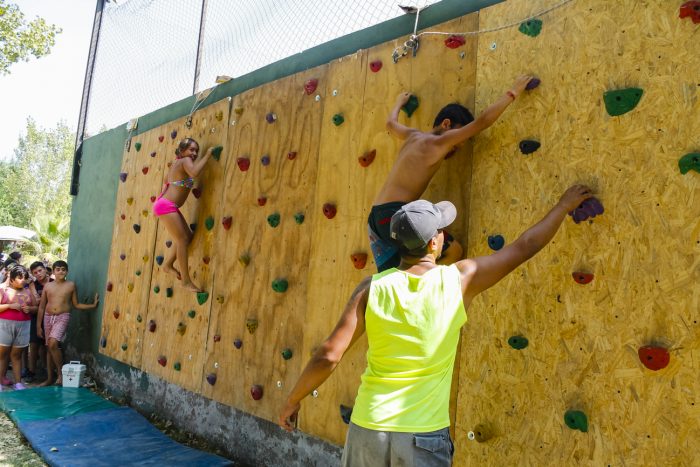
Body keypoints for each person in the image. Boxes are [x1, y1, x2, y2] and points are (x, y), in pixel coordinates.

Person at [279, 185, 592, 466]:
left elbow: (328, 356)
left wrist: (293, 399)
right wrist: (562, 206)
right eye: (441, 229)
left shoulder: (371, 288)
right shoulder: (459, 279)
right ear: (434, 242)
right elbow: (524, 247)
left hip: (368, 429)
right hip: (422, 435)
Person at [369, 75, 534, 272]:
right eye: (455, 144)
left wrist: (399, 102)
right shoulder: (437, 143)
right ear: (446, 124)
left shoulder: (413, 136)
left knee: (393, 274)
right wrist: (512, 92)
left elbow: (390, 123)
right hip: (395, 215)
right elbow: (482, 122)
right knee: (453, 251)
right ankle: (425, 291)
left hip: (377, 218)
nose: (453, 149)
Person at [152, 137, 214, 292]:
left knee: (187, 237)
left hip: (166, 205)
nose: (194, 153)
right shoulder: (185, 161)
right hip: (167, 206)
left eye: (197, 151)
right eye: (191, 149)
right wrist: (207, 155)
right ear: (182, 151)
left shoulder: (176, 164)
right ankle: (185, 281)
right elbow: (194, 172)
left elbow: (167, 181)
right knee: (182, 239)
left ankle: (167, 264)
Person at [37, 260, 98, 386]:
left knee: (53, 343)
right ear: (53, 271)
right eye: (58, 269)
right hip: (48, 317)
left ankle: (60, 373)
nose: (61, 271)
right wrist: (38, 325)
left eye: (63, 269)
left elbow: (76, 304)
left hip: (63, 316)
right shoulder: (48, 286)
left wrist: (92, 305)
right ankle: (49, 378)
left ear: (67, 272)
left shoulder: (70, 285)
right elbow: (42, 307)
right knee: (49, 347)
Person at [0, 264, 37, 390]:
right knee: (2, 355)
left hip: (23, 325)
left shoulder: (27, 291)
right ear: (12, 279)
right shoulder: (3, 289)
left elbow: (36, 307)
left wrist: (30, 308)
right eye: (20, 278)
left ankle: (18, 383)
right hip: (5, 324)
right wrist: (9, 306)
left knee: (16, 355)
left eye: (25, 278)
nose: (23, 280)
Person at [25, 261, 51, 381]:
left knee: (48, 346)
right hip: (36, 318)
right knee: (34, 344)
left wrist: (40, 299)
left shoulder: (54, 283)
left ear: (45, 269)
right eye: (35, 273)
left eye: (40, 270)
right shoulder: (33, 285)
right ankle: (31, 372)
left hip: (51, 318)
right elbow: (36, 303)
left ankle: (48, 371)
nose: (38, 274)